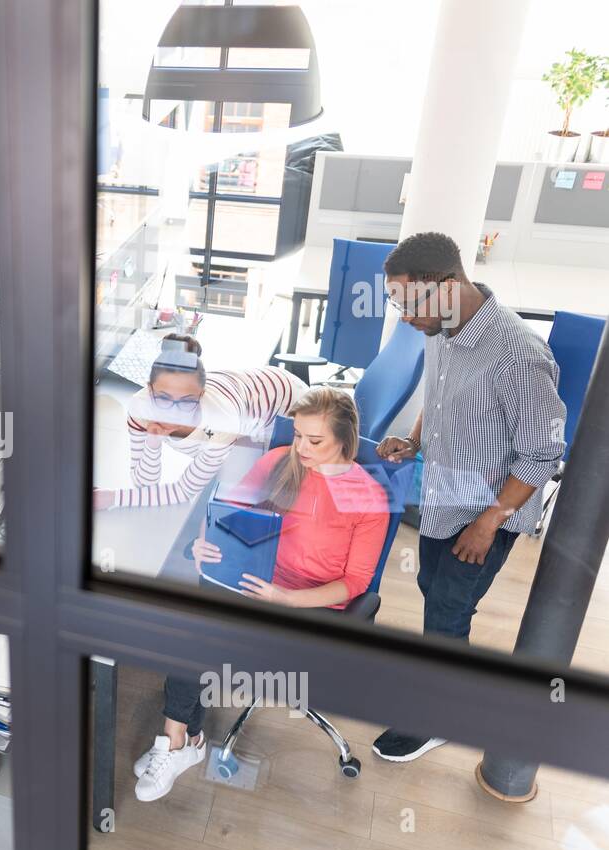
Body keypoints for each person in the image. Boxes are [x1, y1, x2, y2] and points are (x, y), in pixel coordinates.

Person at [133, 387, 389, 801]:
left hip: (311, 605)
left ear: (345, 439)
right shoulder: (280, 462)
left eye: (315, 440)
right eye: (299, 435)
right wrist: (204, 544)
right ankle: (178, 740)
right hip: (258, 581)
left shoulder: (368, 499)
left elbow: (355, 583)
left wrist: (286, 599)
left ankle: (183, 742)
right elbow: (225, 510)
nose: (301, 447)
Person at [374, 231, 565, 763]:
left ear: (447, 284)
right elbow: (437, 399)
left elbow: (542, 455)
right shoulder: (442, 326)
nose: (404, 318)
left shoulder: (520, 355)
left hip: (485, 516)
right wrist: (413, 442)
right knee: (435, 595)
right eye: (396, 304)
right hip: (442, 501)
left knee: (449, 612)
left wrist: (488, 523)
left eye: (409, 304)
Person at [93, 334, 307, 510]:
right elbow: (144, 484)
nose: (173, 414)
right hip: (246, 397)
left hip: (288, 405)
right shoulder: (140, 408)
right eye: (164, 398)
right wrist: (152, 444)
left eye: (186, 402)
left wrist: (114, 498)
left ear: (201, 394)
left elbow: (183, 491)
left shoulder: (222, 422)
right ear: (149, 389)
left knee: (266, 497)